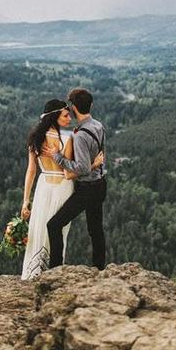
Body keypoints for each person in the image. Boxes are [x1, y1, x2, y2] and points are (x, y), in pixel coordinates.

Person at [20, 99, 103, 280]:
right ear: (55, 116)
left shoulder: (36, 139)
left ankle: (33, 271)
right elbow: (69, 173)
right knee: (58, 230)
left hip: (43, 186)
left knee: (40, 228)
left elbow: (31, 171)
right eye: (65, 115)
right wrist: (94, 164)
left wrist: (26, 200)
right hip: (62, 187)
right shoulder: (67, 139)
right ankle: (53, 270)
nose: (69, 118)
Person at [43, 88, 107, 271]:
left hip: (87, 188)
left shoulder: (80, 135)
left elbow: (82, 168)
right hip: (101, 184)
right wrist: (95, 165)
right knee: (95, 229)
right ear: (91, 105)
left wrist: (57, 157)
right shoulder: (98, 126)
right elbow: (100, 157)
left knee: (54, 225)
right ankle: (99, 268)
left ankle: (55, 270)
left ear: (73, 108)